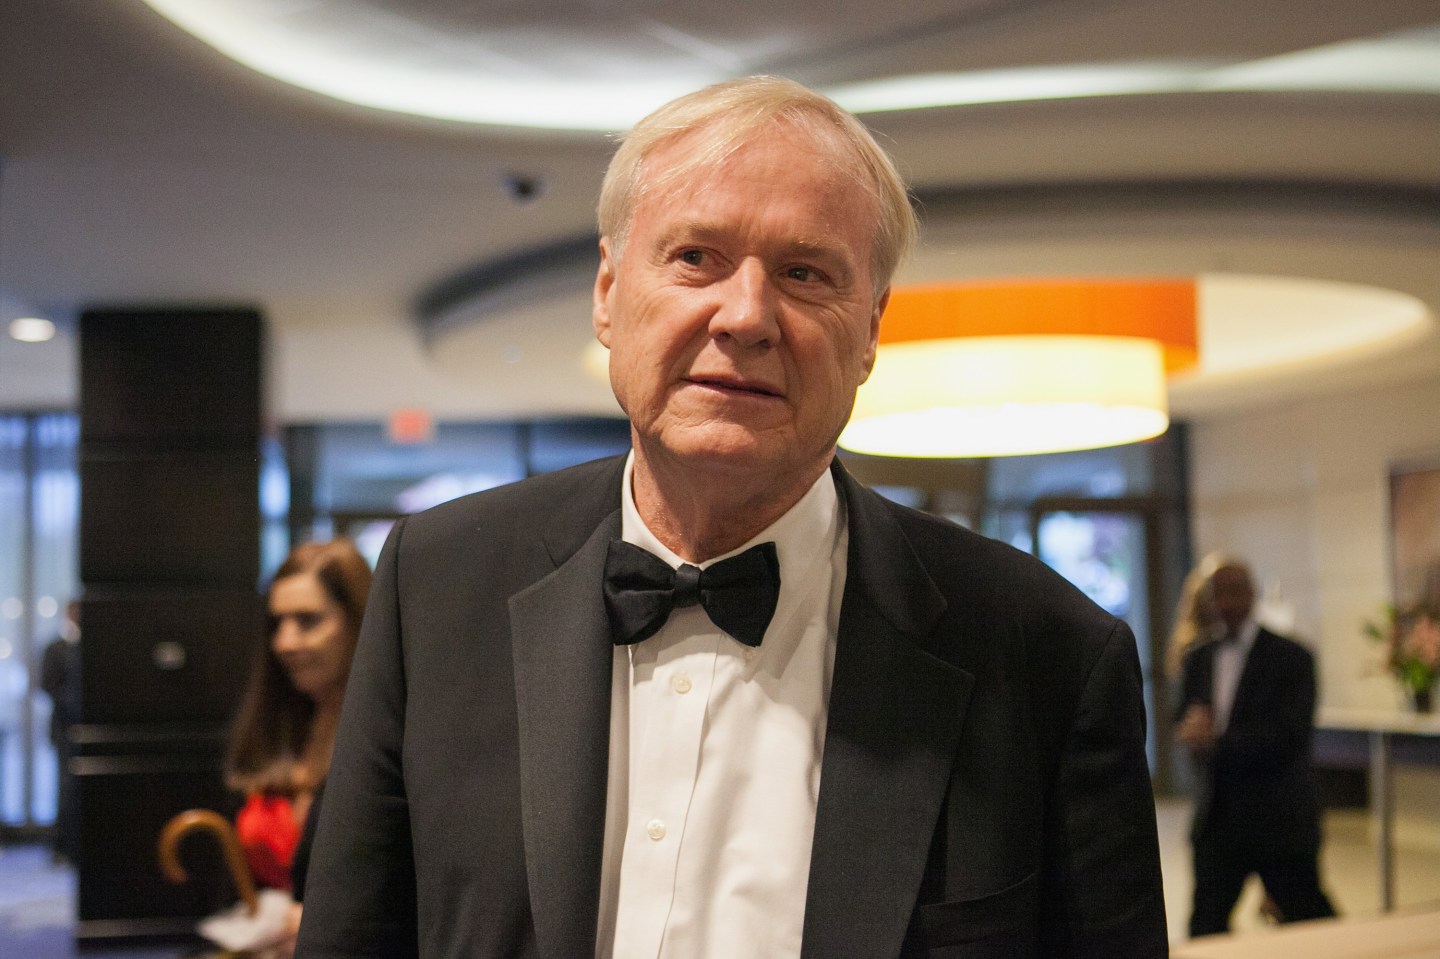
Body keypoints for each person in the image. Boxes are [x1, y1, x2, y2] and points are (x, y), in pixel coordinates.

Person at [296, 76, 1166, 959]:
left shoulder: (1047, 653)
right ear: (607, 292)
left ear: (869, 330)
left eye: (804, 273)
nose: (746, 315)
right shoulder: (437, 583)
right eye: (695, 257)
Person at [1175, 557, 1336, 937]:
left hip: (1279, 819)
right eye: (1217, 594)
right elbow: (1184, 714)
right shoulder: (1198, 658)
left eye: (1234, 592)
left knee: (1310, 925)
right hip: (1219, 819)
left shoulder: (1292, 657)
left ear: (1252, 594)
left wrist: (1216, 741)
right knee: (1205, 929)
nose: (1226, 603)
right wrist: (1189, 730)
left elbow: (1289, 735)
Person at [226, 539, 372, 897]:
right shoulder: (278, 725)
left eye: (308, 621)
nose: (284, 642)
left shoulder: (391, 739)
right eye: (278, 623)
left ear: (359, 622)